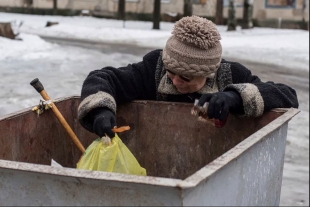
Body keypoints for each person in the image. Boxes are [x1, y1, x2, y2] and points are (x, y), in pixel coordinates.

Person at [78, 15, 299, 138]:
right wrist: (101, 110)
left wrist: (235, 97)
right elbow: (103, 77)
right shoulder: (153, 69)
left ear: (208, 72)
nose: (175, 82)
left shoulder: (230, 75)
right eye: (171, 73)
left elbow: (287, 96)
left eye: (185, 78)